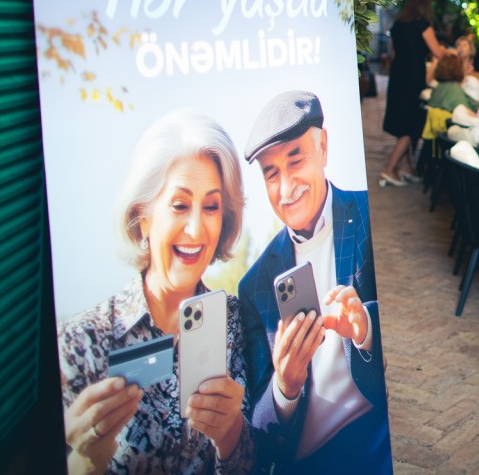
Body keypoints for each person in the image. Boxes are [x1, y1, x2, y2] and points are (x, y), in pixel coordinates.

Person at [59, 109, 254, 475]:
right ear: (143, 216)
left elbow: (253, 464)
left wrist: (231, 435)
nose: (196, 229)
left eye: (211, 207)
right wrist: (84, 460)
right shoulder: (81, 341)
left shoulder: (235, 320)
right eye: (180, 205)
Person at [238, 92, 390, 473]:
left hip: (376, 435)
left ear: (323, 146)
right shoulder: (254, 285)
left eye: (296, 159)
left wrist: (364, 328)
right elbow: (260, 433)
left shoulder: (370, 217)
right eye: (271, 174)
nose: (286, 187)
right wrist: (284, 387)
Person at [381, 0, 446, 187]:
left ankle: (405, 168)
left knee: (402, 122)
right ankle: (389, 169)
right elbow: (437, 52)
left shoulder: (397, 25)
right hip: (413, 77)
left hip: (398, 75)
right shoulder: (423, 26)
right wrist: (450, 52)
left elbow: (394, 54)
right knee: (411, 125)